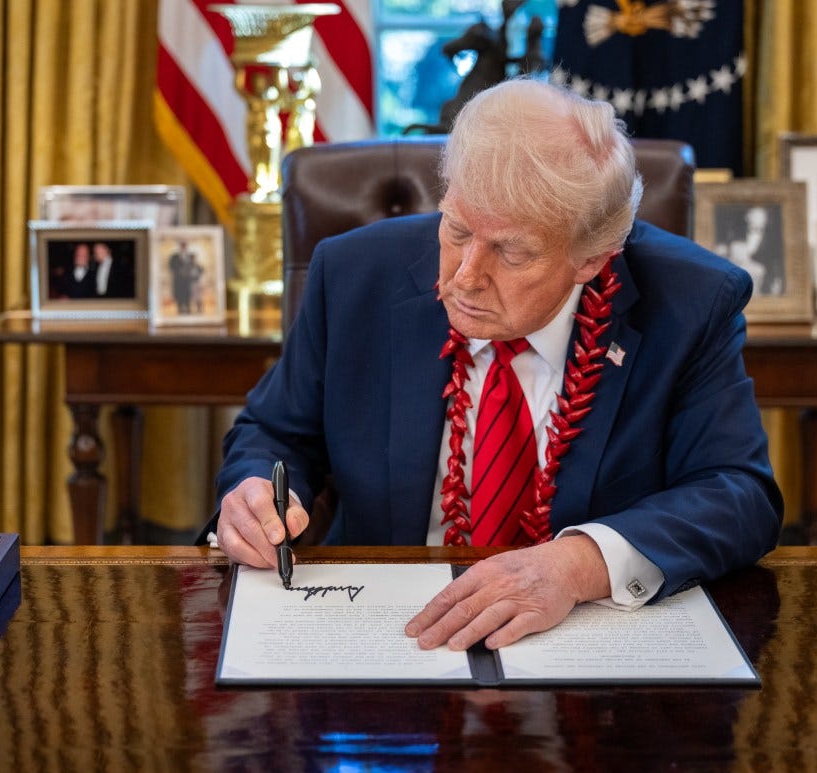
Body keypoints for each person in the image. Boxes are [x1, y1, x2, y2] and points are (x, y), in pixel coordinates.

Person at [213, 78, 782, 653]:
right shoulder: (354, 274)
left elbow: (739, 493)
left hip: (585, 646)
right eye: (457, 230)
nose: (464, 276)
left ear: (592, 257)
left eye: (511, 252)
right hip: (385, 633)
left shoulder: (690, 303)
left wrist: (578, 564)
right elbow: (273, 431)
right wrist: (256, 489)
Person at [715, 205, 783, 296]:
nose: (747, 236)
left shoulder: (768, 272)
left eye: (757, 229)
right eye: (745, 226)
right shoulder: (721, 254)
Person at [169, 240, 196, 314]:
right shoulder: (174, 256)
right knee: (179, 295)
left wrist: (188, 272)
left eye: (185, 246)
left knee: (187, 294)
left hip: (187, 280)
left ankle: (188, 308)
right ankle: (180, 309)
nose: (183, 247)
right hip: (178, 280)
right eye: (182, 246)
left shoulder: (190, 256)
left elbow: (193, 266)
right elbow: (171, 266)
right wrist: (179, 270)